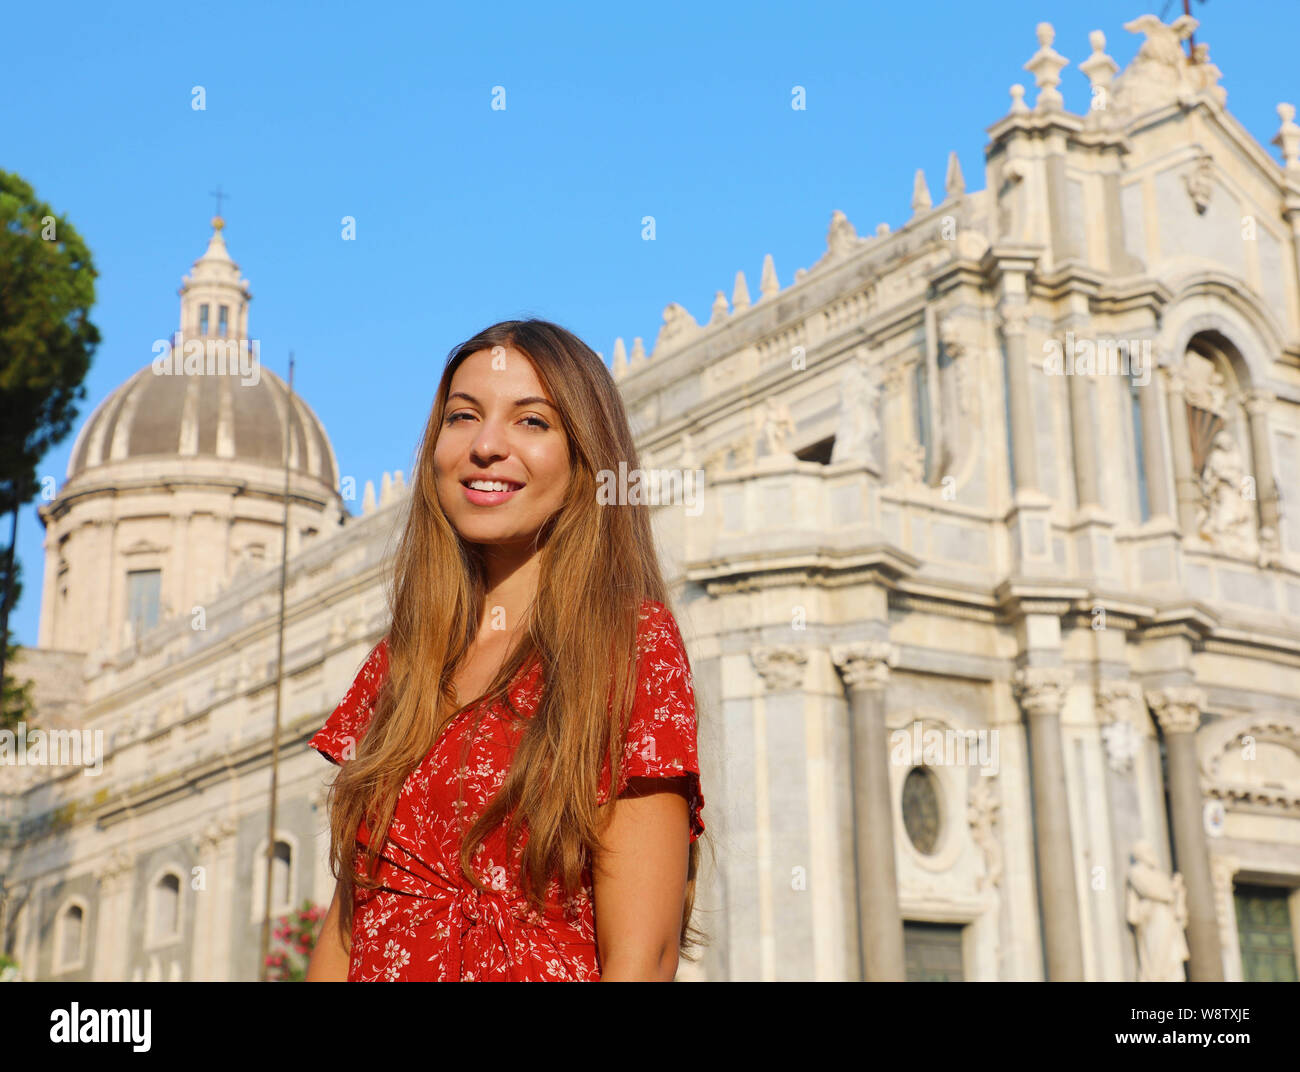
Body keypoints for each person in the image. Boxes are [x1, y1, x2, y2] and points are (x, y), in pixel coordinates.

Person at [304, 319, 707, 981]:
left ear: (587, 458)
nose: (486, 445)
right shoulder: (397, 665)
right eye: (462, 417)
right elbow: (349, 929)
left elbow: (644, 955)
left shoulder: (628, 648)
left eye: (532, 422)